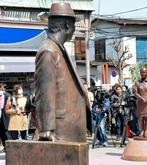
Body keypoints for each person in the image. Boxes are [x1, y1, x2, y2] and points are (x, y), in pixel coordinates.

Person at [34, 2, 91, 142]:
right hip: (61, 132)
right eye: (73, 26)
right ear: (67, 26)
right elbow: (44, 92)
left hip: (70, 129)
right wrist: (47, 129)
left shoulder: (59, 49)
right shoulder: (49, 51)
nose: (73, 30)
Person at [134, 67, 147, 138]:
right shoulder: (137, 82)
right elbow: (135, 92)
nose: (143, 74)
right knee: (141, 117)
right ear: (140, 73)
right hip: (140, 102)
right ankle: (142, 130)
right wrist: (141, 98)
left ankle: (146, 130)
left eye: (145, 72)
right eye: (142, 72)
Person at [0, 84, 11, 150]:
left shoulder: (7, 96)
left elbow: (9, 107)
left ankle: (8, 148)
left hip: (5, 118)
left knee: (6, 134)